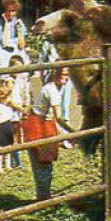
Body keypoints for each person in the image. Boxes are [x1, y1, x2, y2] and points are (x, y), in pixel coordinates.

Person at [25, 67, 73, 201]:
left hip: (47, 123)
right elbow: (58, 116)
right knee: (41, 160)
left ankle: (45, 195)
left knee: (48, 160)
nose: (66, 78)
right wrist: (73, 133)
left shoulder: (59, 88)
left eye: (68, 75)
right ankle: (43, 197)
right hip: (38, 124)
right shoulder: (51, 89)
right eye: (63, 74)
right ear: (56, 74)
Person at [0, 78, 22, 172]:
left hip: (7, 125)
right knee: (0, 149)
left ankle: (8, 165)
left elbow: (12, 113)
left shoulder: (7, 105)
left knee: (8, 147)